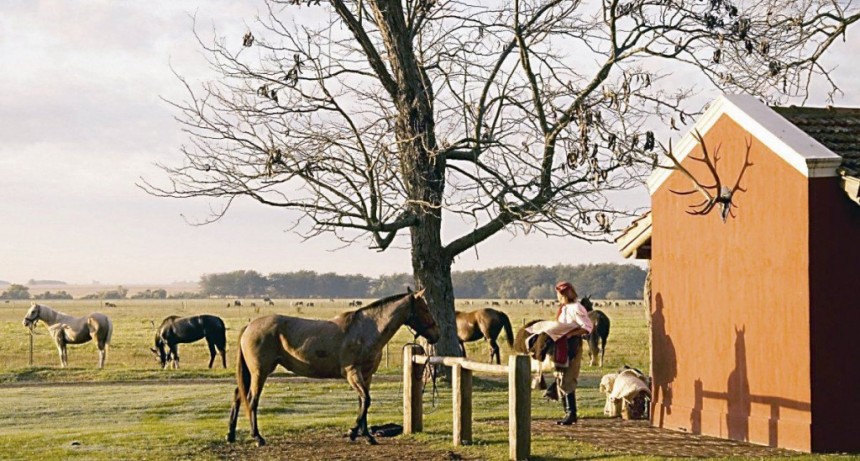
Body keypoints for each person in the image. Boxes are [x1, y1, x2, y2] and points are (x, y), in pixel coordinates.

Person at [551, 281, 593, 425]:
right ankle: (566, 413)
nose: (557, 296)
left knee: (569, 377)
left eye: (558, 294)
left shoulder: (576, 308)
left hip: (572, 345)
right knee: (560, 377)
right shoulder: (563, 308)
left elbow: (587, 327)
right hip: (561, 345)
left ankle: (571, 413)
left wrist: (570, 334)